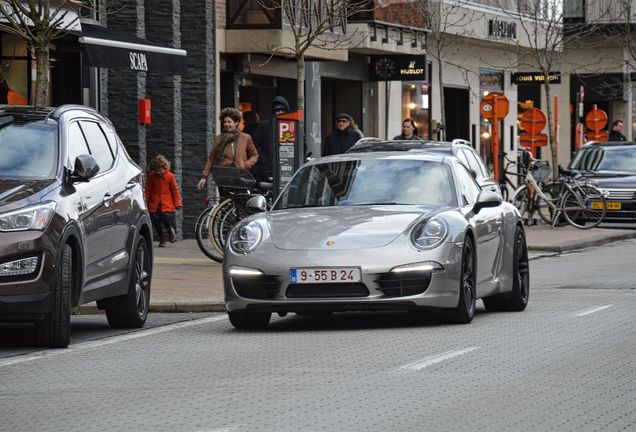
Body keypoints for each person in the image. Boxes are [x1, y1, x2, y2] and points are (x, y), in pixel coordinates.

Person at [197, 107, 259, 193]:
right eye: (225, 122)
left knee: (240, 202)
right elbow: (211, 158)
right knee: (225, 202)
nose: (226, 124)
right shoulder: (219, 139)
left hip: (240, 176)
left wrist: (246, 164)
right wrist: (204, 177)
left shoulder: (246, 138)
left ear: (236, 123)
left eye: (229, 122)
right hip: (224, 177)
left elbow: (255, 155)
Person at [145, 154, 182, 247]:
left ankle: (169, 230)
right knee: (156, 221)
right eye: (156, 170)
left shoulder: (170, 176)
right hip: (154, 203)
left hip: (165, 203)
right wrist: (145, 203)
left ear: (165, 167)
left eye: (160, 170)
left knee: (163, 217)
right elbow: (147, 191)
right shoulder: (151, 177)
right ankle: (162, 238)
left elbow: (175, 190)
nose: (159, 172)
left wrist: (177, 203)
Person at [252, 96, 290, 181]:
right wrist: (264, 162)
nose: (280, 113)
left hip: (286, 165)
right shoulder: (264, 125)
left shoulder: (292, 125)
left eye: (282, 110)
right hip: (268, 167)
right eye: (277, 111)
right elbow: (257, 144)